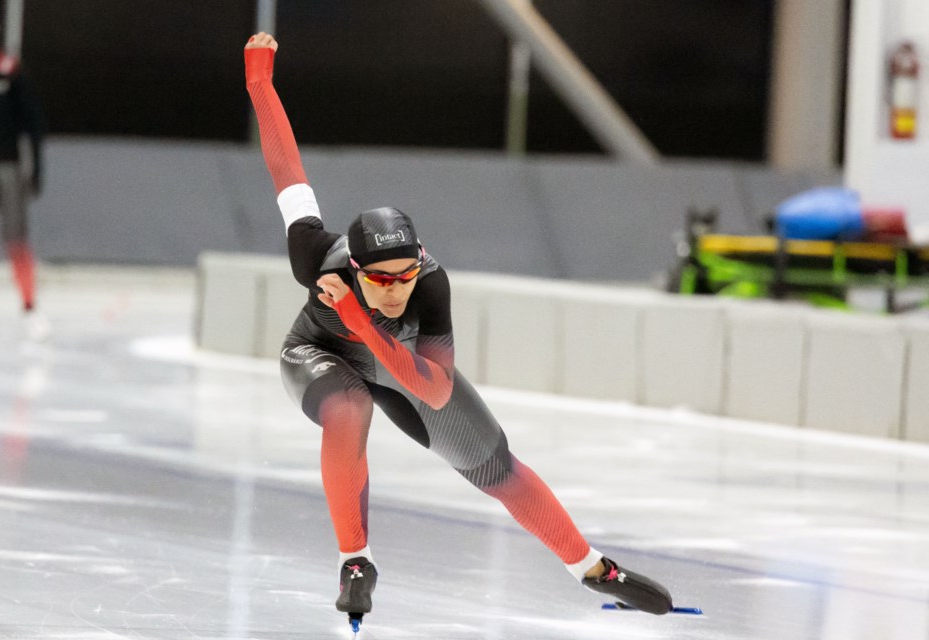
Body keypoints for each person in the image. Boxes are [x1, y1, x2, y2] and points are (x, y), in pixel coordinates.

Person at [244, 32, 674, 622]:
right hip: (317, 352)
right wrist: (260, 84)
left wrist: (360, 318)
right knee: (348, 407)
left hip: (396, 365)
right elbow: (288, 170)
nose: (397, 290)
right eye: (381, 280)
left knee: (495, 463)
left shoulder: (431, 288)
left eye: (406, 276)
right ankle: (355, 561)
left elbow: (435, 390)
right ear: (355, 267)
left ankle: (593, 567)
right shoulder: (315, 254)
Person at [0, 8, 47, 341]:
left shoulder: (10, 72)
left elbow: (33, 121)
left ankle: (30, 307)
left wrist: (36, 164)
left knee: (16, 237)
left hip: (7, 164)